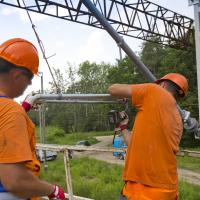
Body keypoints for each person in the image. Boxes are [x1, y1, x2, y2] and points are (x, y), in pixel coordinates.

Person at [0, 38, 66, 200]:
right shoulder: (10, 111)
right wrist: (53, 190)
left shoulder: (8, 110)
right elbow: (15, 181)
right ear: (16, 75)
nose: (29, 83)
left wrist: (24, 108)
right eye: (29, 77)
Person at [108, 73, 188, 200]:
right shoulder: (178, 120)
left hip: (143, 192)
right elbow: (134, 144)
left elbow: (113, 89)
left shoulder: (154, 91)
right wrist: (123, 126)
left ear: (162, 84)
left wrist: (124, 95)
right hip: (167, 191)